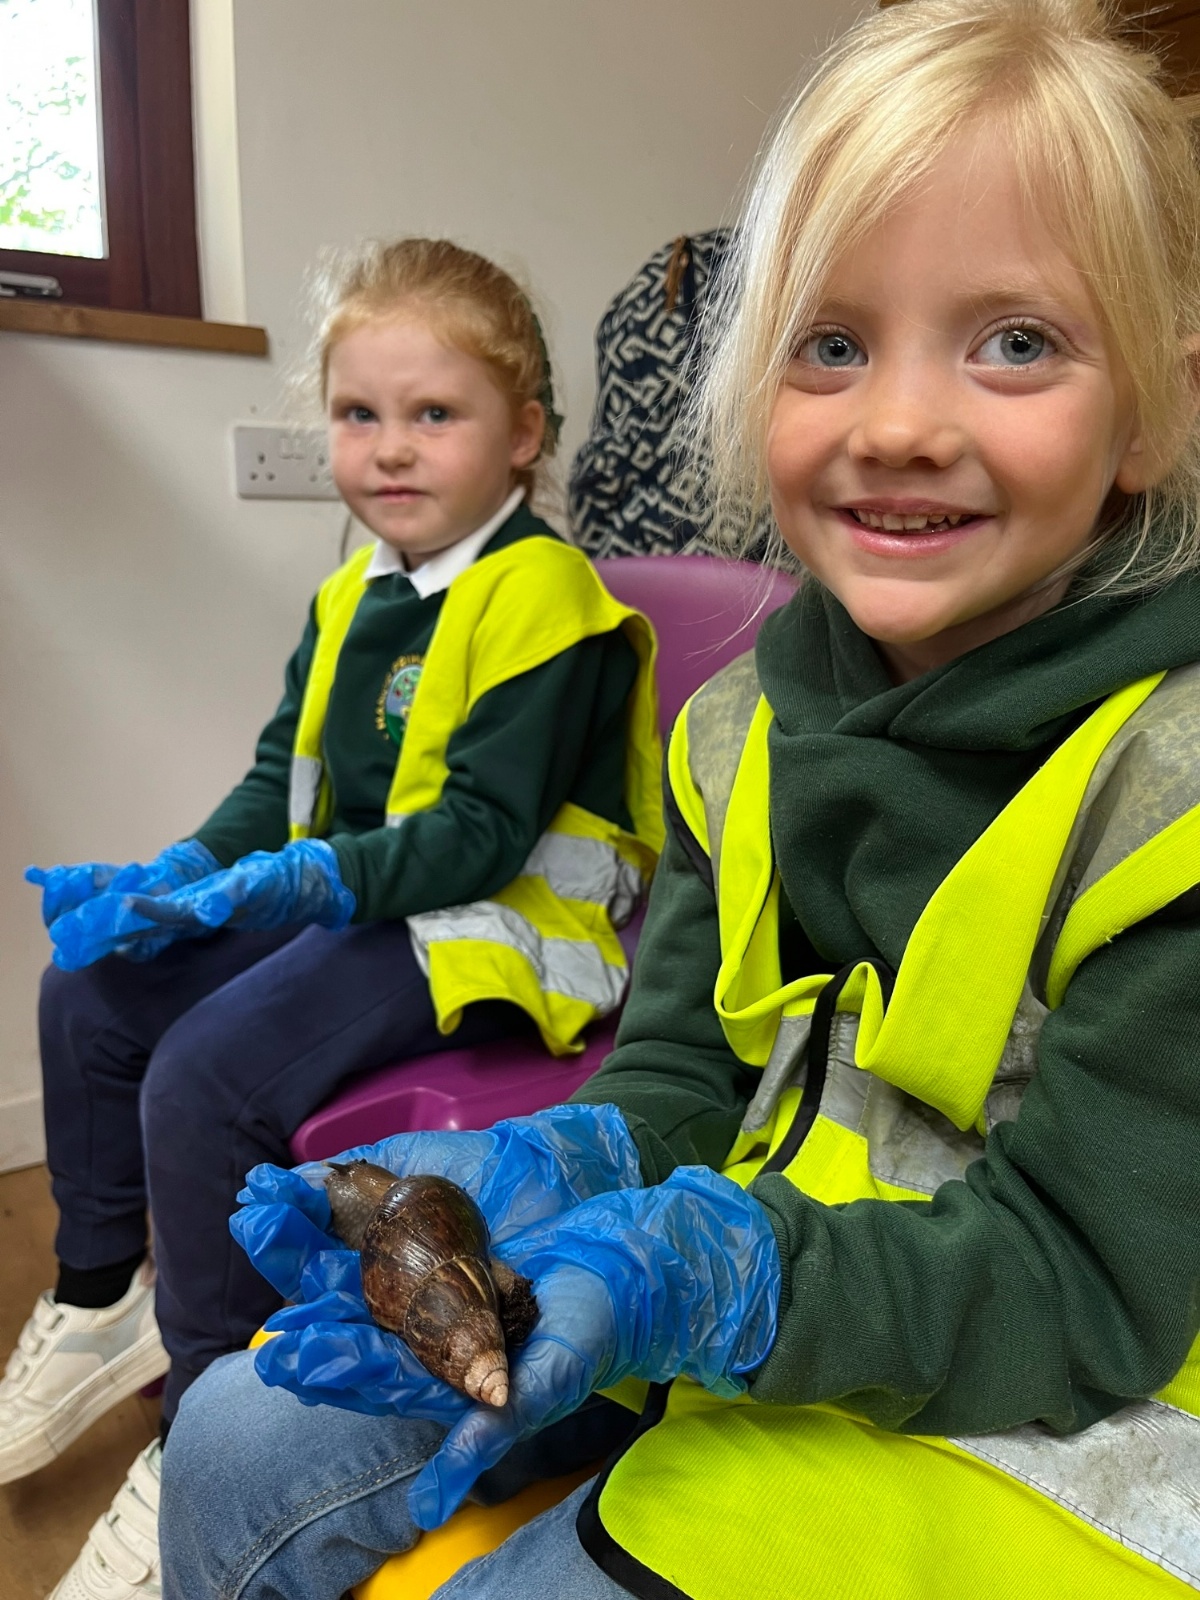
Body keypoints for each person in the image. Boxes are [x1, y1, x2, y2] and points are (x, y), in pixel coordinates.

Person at [161, 1, 1200, 1596]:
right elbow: (686, 1065)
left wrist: (716, 1279)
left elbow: (1087, 1282)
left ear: (1155, 411)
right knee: (231, 1434)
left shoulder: (1168, 803)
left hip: (1032, 1402)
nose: (898, 424)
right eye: (832, 345)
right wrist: (573, 1165)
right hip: (744, 1292)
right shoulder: (735, 730)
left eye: (1015, 343)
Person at [8, 237, 662, 1599]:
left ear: (522, 434)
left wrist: (296, 885)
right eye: (360, 414)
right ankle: (100, 1294)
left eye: (435, 414)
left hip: (499, 926)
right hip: (375, 900)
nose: (391, 448)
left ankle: (205, 1425)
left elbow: (480, 836)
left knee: (204, 1075)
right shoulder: (352, 591)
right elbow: (280, 785)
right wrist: (178, 879)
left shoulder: (543, 592)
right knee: (92, 988)